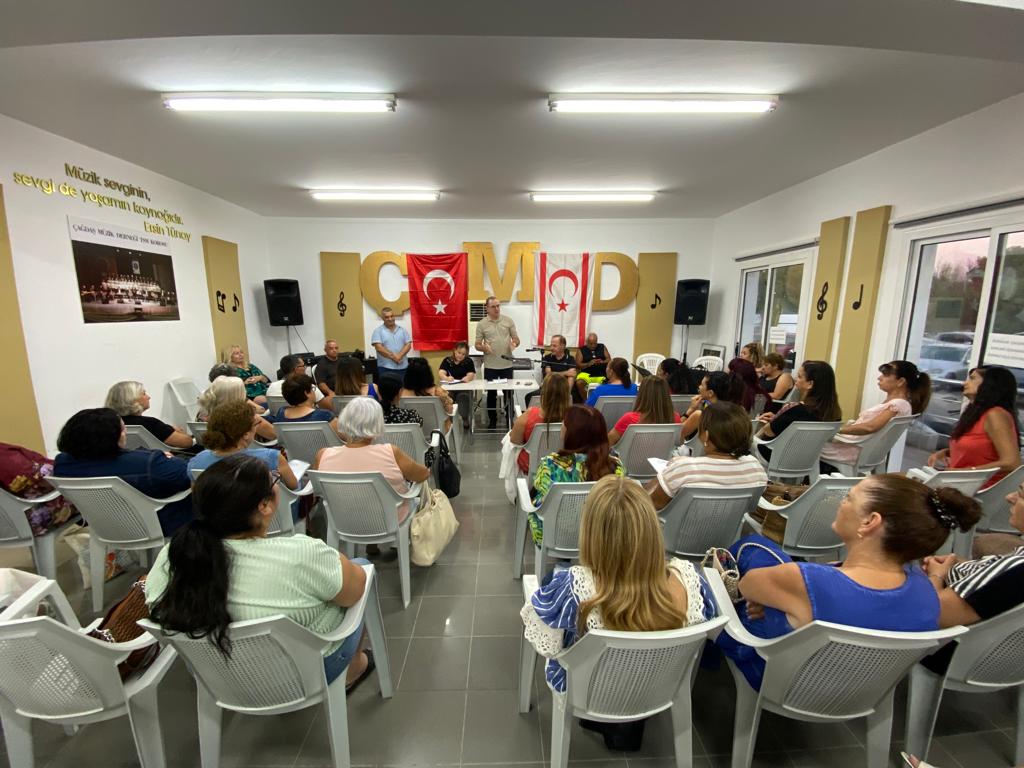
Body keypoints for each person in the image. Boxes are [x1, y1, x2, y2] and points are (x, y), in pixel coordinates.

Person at [717, 473, 981, 690]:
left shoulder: (808, 580)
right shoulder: (927, 594)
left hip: (778, 680)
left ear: (869, 522)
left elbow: (747, 585)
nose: (841, 503)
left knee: (746, 553)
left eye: (849, 498)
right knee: (762, 553)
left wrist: (771, 600)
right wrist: (936, 576)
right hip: (861, 690)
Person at [145, 455, 375, 692]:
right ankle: (354, 669)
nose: (277, 482)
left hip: (217, 677)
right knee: (361, 567)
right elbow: (355, 592)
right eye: (274, 480)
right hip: (302, 675)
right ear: (264, 505)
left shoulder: (173, 555)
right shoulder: (301, 553)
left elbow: (157, 606)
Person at [520, 474, 715, 750]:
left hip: (588, 694)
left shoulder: (574, 587)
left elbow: (548, 642)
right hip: (658, 690)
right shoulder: (690, 582)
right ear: (652, 529)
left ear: (591, 534)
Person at [919, 478, 1024, 674]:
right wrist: (963, 566)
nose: (1010, 497)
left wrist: (936, 575)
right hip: (1007, 655)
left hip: (959, 655)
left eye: (1020, 494)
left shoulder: (1015, 571)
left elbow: (935, 614)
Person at [53, 408, 193, 535]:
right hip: (155, 526)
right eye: (122, 429)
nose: (125, 432)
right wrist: (168, 459)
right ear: (111, 437)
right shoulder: (148, 463)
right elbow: (189, 475)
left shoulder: (62, 464)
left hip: (102, 527)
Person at [313, 398, 430, 522]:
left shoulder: (323, 455)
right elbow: (422, 474)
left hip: (343, 521)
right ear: (377, 424)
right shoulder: (390, 453)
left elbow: (318, 490)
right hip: (389, 522)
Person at [530, 405, 624, 544]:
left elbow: (541, 503)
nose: (562, 425)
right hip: (601, 538)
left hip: (555, 536)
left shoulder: (550, 465)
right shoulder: (615, 466)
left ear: (571, 432)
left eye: (564, 422)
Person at [647, 402, 767, 509]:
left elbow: (653, 504)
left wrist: (662, 474)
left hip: (678, 527)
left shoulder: (684, 469)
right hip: (729, 527)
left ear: (706, 435)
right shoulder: (755, 467)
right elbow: (750, 507)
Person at [820, 360, 931, 471]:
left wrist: (836, 430)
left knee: (812, 446)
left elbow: (870, 427)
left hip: (853, 453)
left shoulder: (898, 404)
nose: (879, 378)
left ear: (901, 381)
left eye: (885, 374)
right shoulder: (900, 404)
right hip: (860, 451)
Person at [927, 366, 1021, 488]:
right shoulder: (975, 412)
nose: (965, 383)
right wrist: (946, 452)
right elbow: (980, 448)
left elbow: (1012, 462)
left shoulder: (996, 414)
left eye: (972, 378)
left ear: (989, 384)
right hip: (959, 484)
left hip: (977, 489)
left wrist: (965, 472)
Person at [187, 400, 299, 491]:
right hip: (267, 512)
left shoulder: (196, 462)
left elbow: (198, 497)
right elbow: (293, 486)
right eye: (256, 424)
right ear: (245, 434)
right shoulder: (271, 458)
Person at [754, 360, 842, 459]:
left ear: (810, 384)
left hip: (776, 456)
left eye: (799, 376)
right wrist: (780, 418)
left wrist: (777, 418)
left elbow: (769, 432)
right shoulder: (835, 414)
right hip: (807, 460)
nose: (796, 379)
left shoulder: (796, 409)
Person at [0, 442, 74, 536]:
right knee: (85, 491)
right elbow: (42, 478)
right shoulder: (6, 457)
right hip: (25, 520)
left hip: (7, 521)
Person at [105, 380, 195, 451]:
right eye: (144, 394)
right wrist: (177, 431)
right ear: (132, 399)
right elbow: (187, 442)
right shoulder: (149, 423)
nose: (148, 397)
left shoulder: (107, 423)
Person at [510, 375, 571, 474]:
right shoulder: (574, 418)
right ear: (567, 394)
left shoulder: (529, 415)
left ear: (543, 392)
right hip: (563, 468)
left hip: (532, 466)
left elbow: (514, 441)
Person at [475, 296, 520, 429]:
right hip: (491, 366)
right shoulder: (482, 324)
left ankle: (509, 420)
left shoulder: (508, 321)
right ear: (487, 308)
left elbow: (516, 339)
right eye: (493, 306)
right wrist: (484, 347)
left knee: (509, 394)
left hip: (507, 365)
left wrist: (514, 343)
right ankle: (492, 420)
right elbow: (477, 344)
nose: (497, 309)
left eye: (498, 306)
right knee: (491, 394)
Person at [607, 376, 681, 448]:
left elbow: (608, 443)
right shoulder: (675, 418)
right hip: (664, 456)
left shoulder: (629, 419)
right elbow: (678, 443)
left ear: (642, 394)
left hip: (632, 456)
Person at [199, 376, 277, 442]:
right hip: (251, 453)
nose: (245, 391)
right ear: (237, 396)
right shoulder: (248, 417)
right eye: (243, 389)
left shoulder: (203, 416)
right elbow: (275, 436)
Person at [679, 371, 744, 441]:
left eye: (702, 385)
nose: (699, 387)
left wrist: (690, 410)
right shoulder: (739, 412)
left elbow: (676, 435)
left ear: (710, 393)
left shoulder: (700, 416)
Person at [400, 358, 454, 431]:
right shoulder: (438, 392)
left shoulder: (400, 393)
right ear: (428, 375)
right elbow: (450, 410)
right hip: (438, 432)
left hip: (412, 433)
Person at [525, 334, 578, 407]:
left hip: (564, 388)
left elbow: (572, 375)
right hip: (550, 387)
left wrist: (566, 394)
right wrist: (566, 373)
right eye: (551, 345)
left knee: (573, 397)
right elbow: (549, 374)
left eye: (554, 346)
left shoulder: (570, 359)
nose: (551, 348)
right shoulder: (547, 358)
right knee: (529, 397)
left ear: (562, 346)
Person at [439, 341, 476, 429]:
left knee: (463, 397)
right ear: (454, 351)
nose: (461, 356)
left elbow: (471, 374)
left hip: (463, 387)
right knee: (446, 397)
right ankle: (449, 420)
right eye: (459, 353)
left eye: (463, 354)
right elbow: (441, 372)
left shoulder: (468, 361)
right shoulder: (447, 360)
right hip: (450, 387)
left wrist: (468, 377)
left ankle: (465, 418)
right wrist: (446, 378)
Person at [371, 306, 412, 383]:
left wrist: (399, 356)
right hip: (386, 368)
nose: (390, 319)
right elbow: (379, 348)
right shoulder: (378, 331)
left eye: (392, 316)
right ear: (382, 318)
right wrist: (394, 357)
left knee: (402, 389)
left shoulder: (402, 330)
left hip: (403, 368)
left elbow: (408, 344)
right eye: (387, 317)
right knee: (387, 389)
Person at [574, 332, 610, 402]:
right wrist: (588, 364)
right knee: (579, 383)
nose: (593, 345)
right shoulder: (581, 349)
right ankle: (587, 402)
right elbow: (578, 364)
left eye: (595, 343)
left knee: (608, 384)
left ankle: (600, 402)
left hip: (601, 374)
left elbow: (609, 359)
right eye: (591, 343)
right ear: (587, 342)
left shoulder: (602, 346)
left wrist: (602, 362)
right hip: (586, 374)